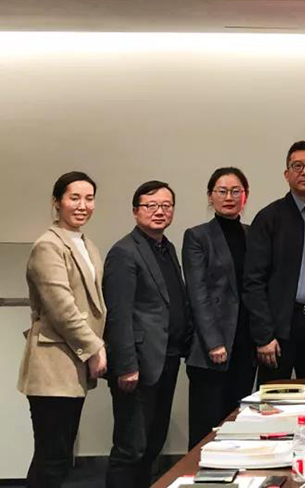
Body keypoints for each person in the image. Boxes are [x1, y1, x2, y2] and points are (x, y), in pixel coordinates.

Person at [18, 172, 107, 487]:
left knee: (59, 454)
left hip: (71, 364)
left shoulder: (85, 244)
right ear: (57, 202)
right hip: (52, 366)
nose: (83, 205)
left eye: (89, 198)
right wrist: (94, 348)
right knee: (51, 457)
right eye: (74, 198)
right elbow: (61, 308)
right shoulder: (48, 245)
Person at [104, 180, 191, 488]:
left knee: (153, 443)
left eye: (166, 206)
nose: (159, 211)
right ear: (135, 211)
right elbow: (118, 314)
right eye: (150, 205)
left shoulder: (166, 247)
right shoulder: (124, 252)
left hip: (166, 358)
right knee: (131, 448)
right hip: (138, 365)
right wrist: (126, 365)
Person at [243, 141, 305, 382]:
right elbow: (253, 282)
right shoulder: (269, 218)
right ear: (286, 174)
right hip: (280, 329)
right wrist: (264, 336)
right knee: (274, 398)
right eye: (297, 166)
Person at [183, 167, 257, 448]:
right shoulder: (197, 236)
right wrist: (214, 342)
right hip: (211, 348)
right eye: (222, 191)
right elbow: (198, 292)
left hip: (245, 343)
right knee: (207, 427)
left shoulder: (252, 234)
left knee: (238, 424)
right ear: (210, 196)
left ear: (245, 196)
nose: (229, 197)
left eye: (236, 191)